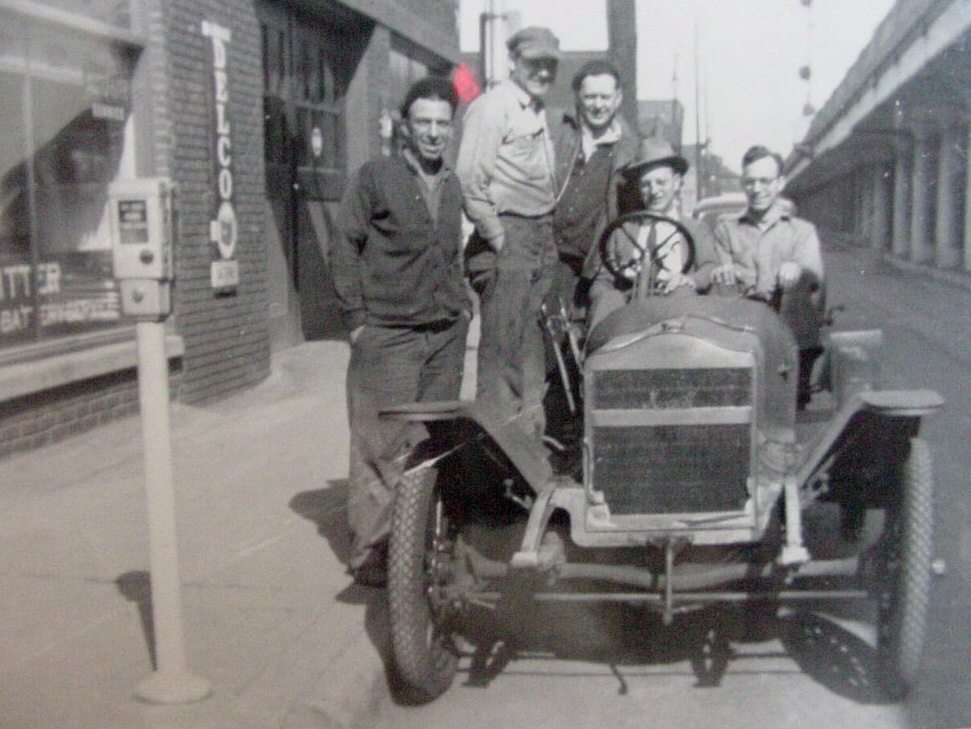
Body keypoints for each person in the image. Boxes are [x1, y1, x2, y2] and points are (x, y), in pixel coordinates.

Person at [332, 77, 471, 587]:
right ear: (405, 127)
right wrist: (357, 322)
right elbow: (343, 246)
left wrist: (464, 307)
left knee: (431, 446)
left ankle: (417, 547)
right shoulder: (376, 178)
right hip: (388, 335)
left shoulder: (453, 184)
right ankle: (372, 556)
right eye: (423, 123)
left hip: (444, 335)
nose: (433, 133)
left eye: (442, 123)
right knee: (381, 446)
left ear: (451, 128)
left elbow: (452, 253)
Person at [456, 26, 561, 441]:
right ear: (514, 62)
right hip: (510, 234)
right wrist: (500, 238)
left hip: (540, 234)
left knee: (531, 345)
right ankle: (498, 456)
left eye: (549, 65)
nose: (542, 72)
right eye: (534, 63)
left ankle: (530, 449)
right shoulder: (492, 107)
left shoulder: (535, 110)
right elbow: (469, 181)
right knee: (502, 352)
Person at [711, 145, 825, 407]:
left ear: (780, 183)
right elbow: (720, 272)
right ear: (742, 184)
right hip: (741, 319)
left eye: (765, 181)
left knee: (797, 293)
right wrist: (724, 271)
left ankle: (794, 394)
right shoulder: (726, 230)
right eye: (750, 182)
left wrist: (796, 268)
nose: (757, 189)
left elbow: (813, 272)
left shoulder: (801, 231)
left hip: (785, 318)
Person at [585, 138, 719, 331]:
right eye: (646, 184)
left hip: (673, 303)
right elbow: (603, 280)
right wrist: (604, 296)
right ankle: (601, 356)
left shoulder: (695, 229)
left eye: (661, 182)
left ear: (676, 182)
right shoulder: (623, 231)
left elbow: (710, 267)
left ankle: (679, 356)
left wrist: (690, 280)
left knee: (683, 292)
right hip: (629, 307)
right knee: (607, 299)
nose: (654, 191)